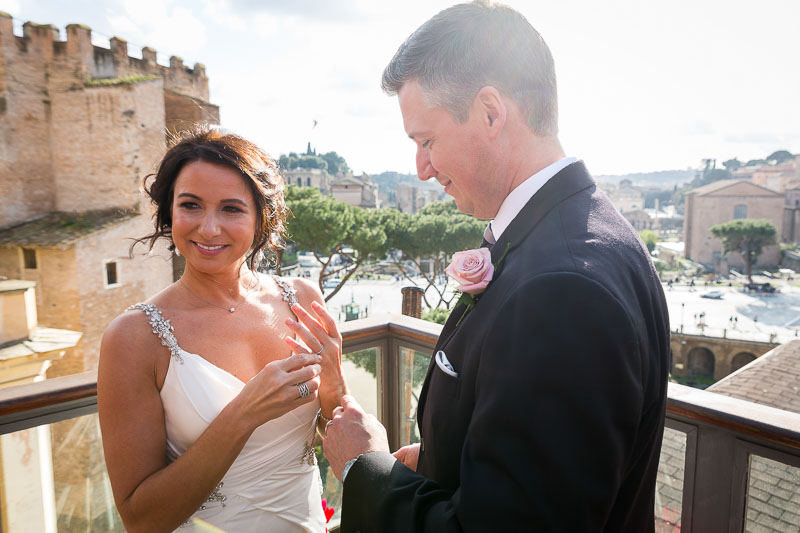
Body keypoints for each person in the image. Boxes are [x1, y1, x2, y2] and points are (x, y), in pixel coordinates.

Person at [322, 2, 671, 531]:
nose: (421, 168)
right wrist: (440, 461)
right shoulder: (591, 232)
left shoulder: (563, 290)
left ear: (490, 112)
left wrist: (362, 468)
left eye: (426, 141)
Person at [98, 127, 347, 533]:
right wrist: (244, 413)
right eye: (191, 205)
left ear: (260, 217)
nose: (209, 228)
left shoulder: (303, 297)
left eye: (231, 209)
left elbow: (328, 429)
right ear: (169, 213)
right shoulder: (133, 337)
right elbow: (141, 520)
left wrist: (336, 387)